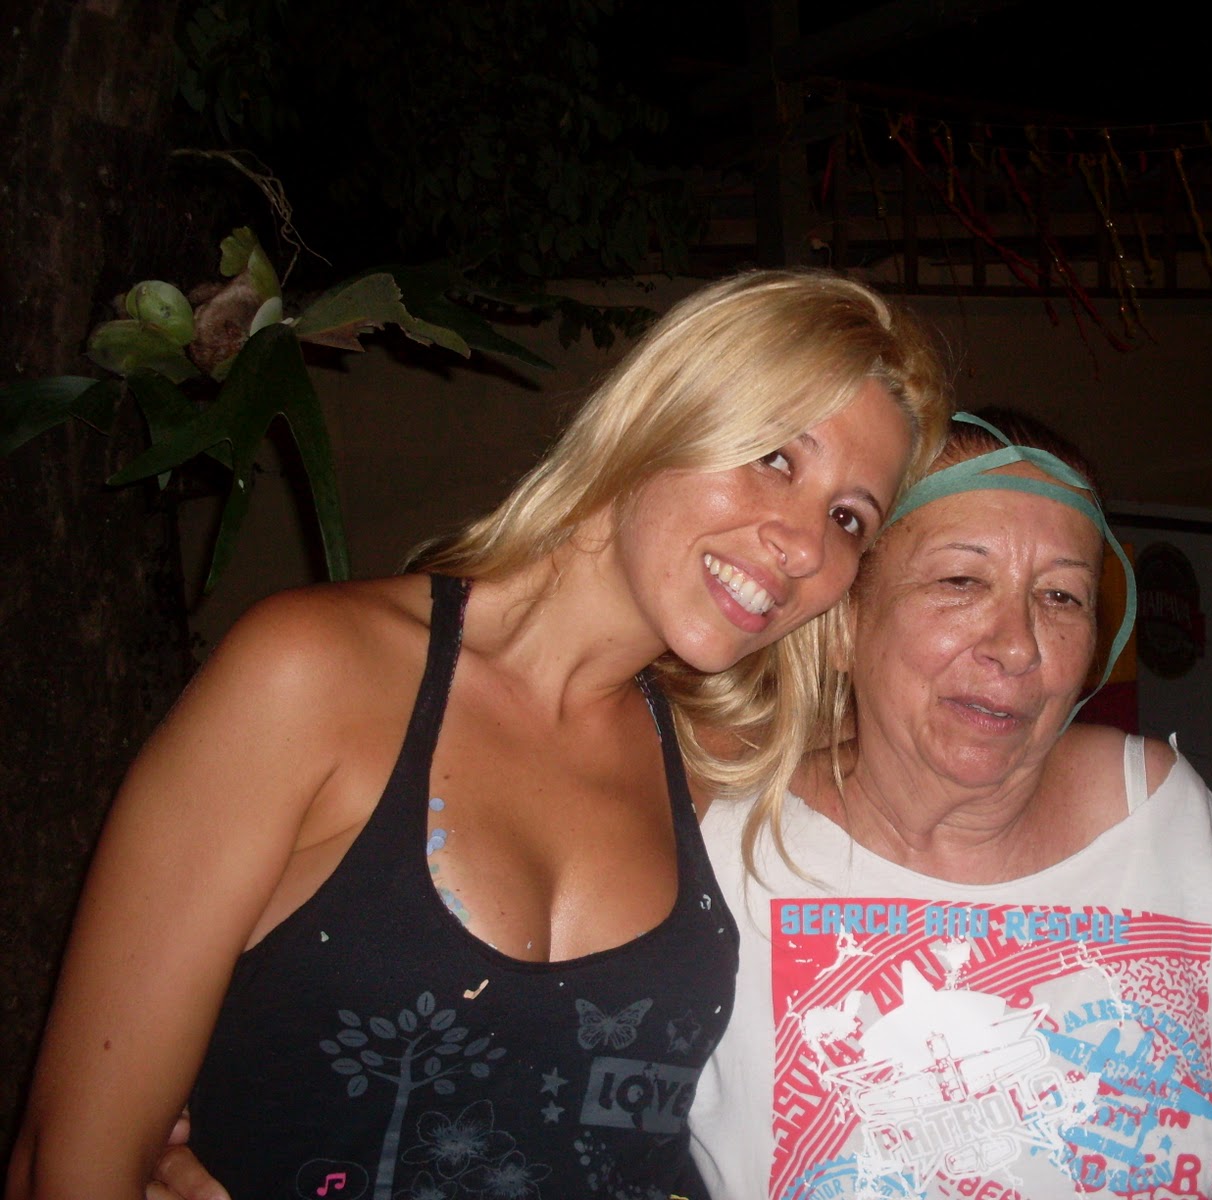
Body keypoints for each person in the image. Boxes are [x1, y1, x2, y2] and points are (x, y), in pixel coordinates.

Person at [6, 269, 951, 1200]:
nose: (804, 546)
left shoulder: (719, 761)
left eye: (848, 518)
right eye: (776, 457)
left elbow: (971, 772)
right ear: (664, 412)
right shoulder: (317, 678)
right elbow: (70, 1162)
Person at [691, 412, 1212, 1199]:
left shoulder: (1176, 826)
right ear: (843, 623)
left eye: (1061, 596)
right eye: (961, 582)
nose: (1019, 645)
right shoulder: (725, 860)